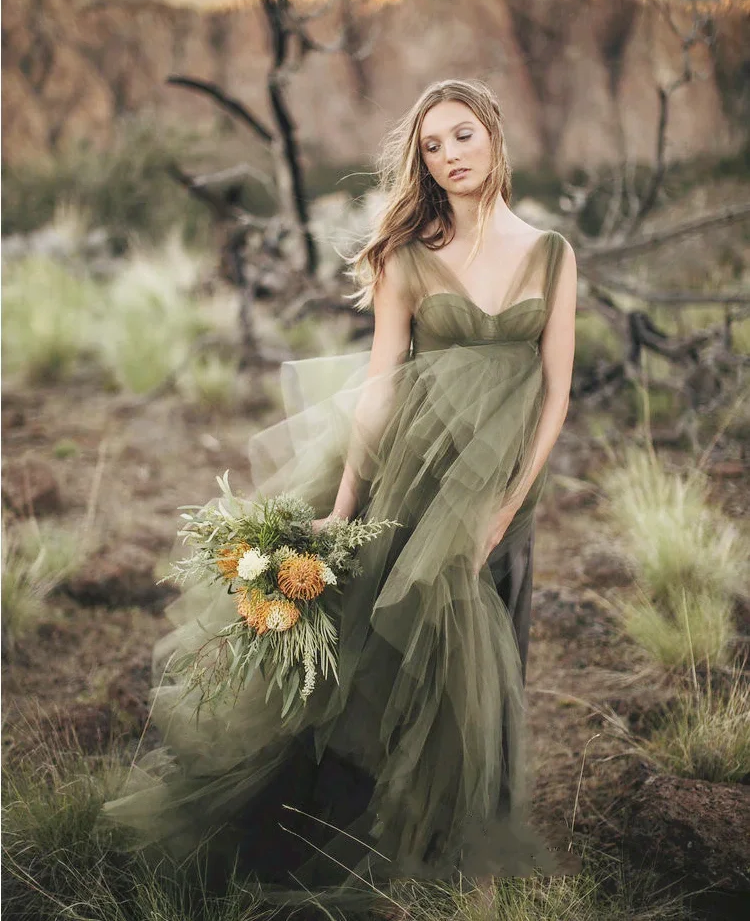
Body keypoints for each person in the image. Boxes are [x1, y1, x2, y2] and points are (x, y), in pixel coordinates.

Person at [102, 78, 579, 919]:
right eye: (432, 146)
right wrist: (347, 500)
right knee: (394, 656)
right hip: (413, 475)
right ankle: (372, 835)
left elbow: (556, 388)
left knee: (494, 649)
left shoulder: (551, 253)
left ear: (494, 136)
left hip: (505, 484)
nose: (449, 155)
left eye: (462, 136)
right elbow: (381, 381)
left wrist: (506, 510)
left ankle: (477, 858)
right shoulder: (408, 253)